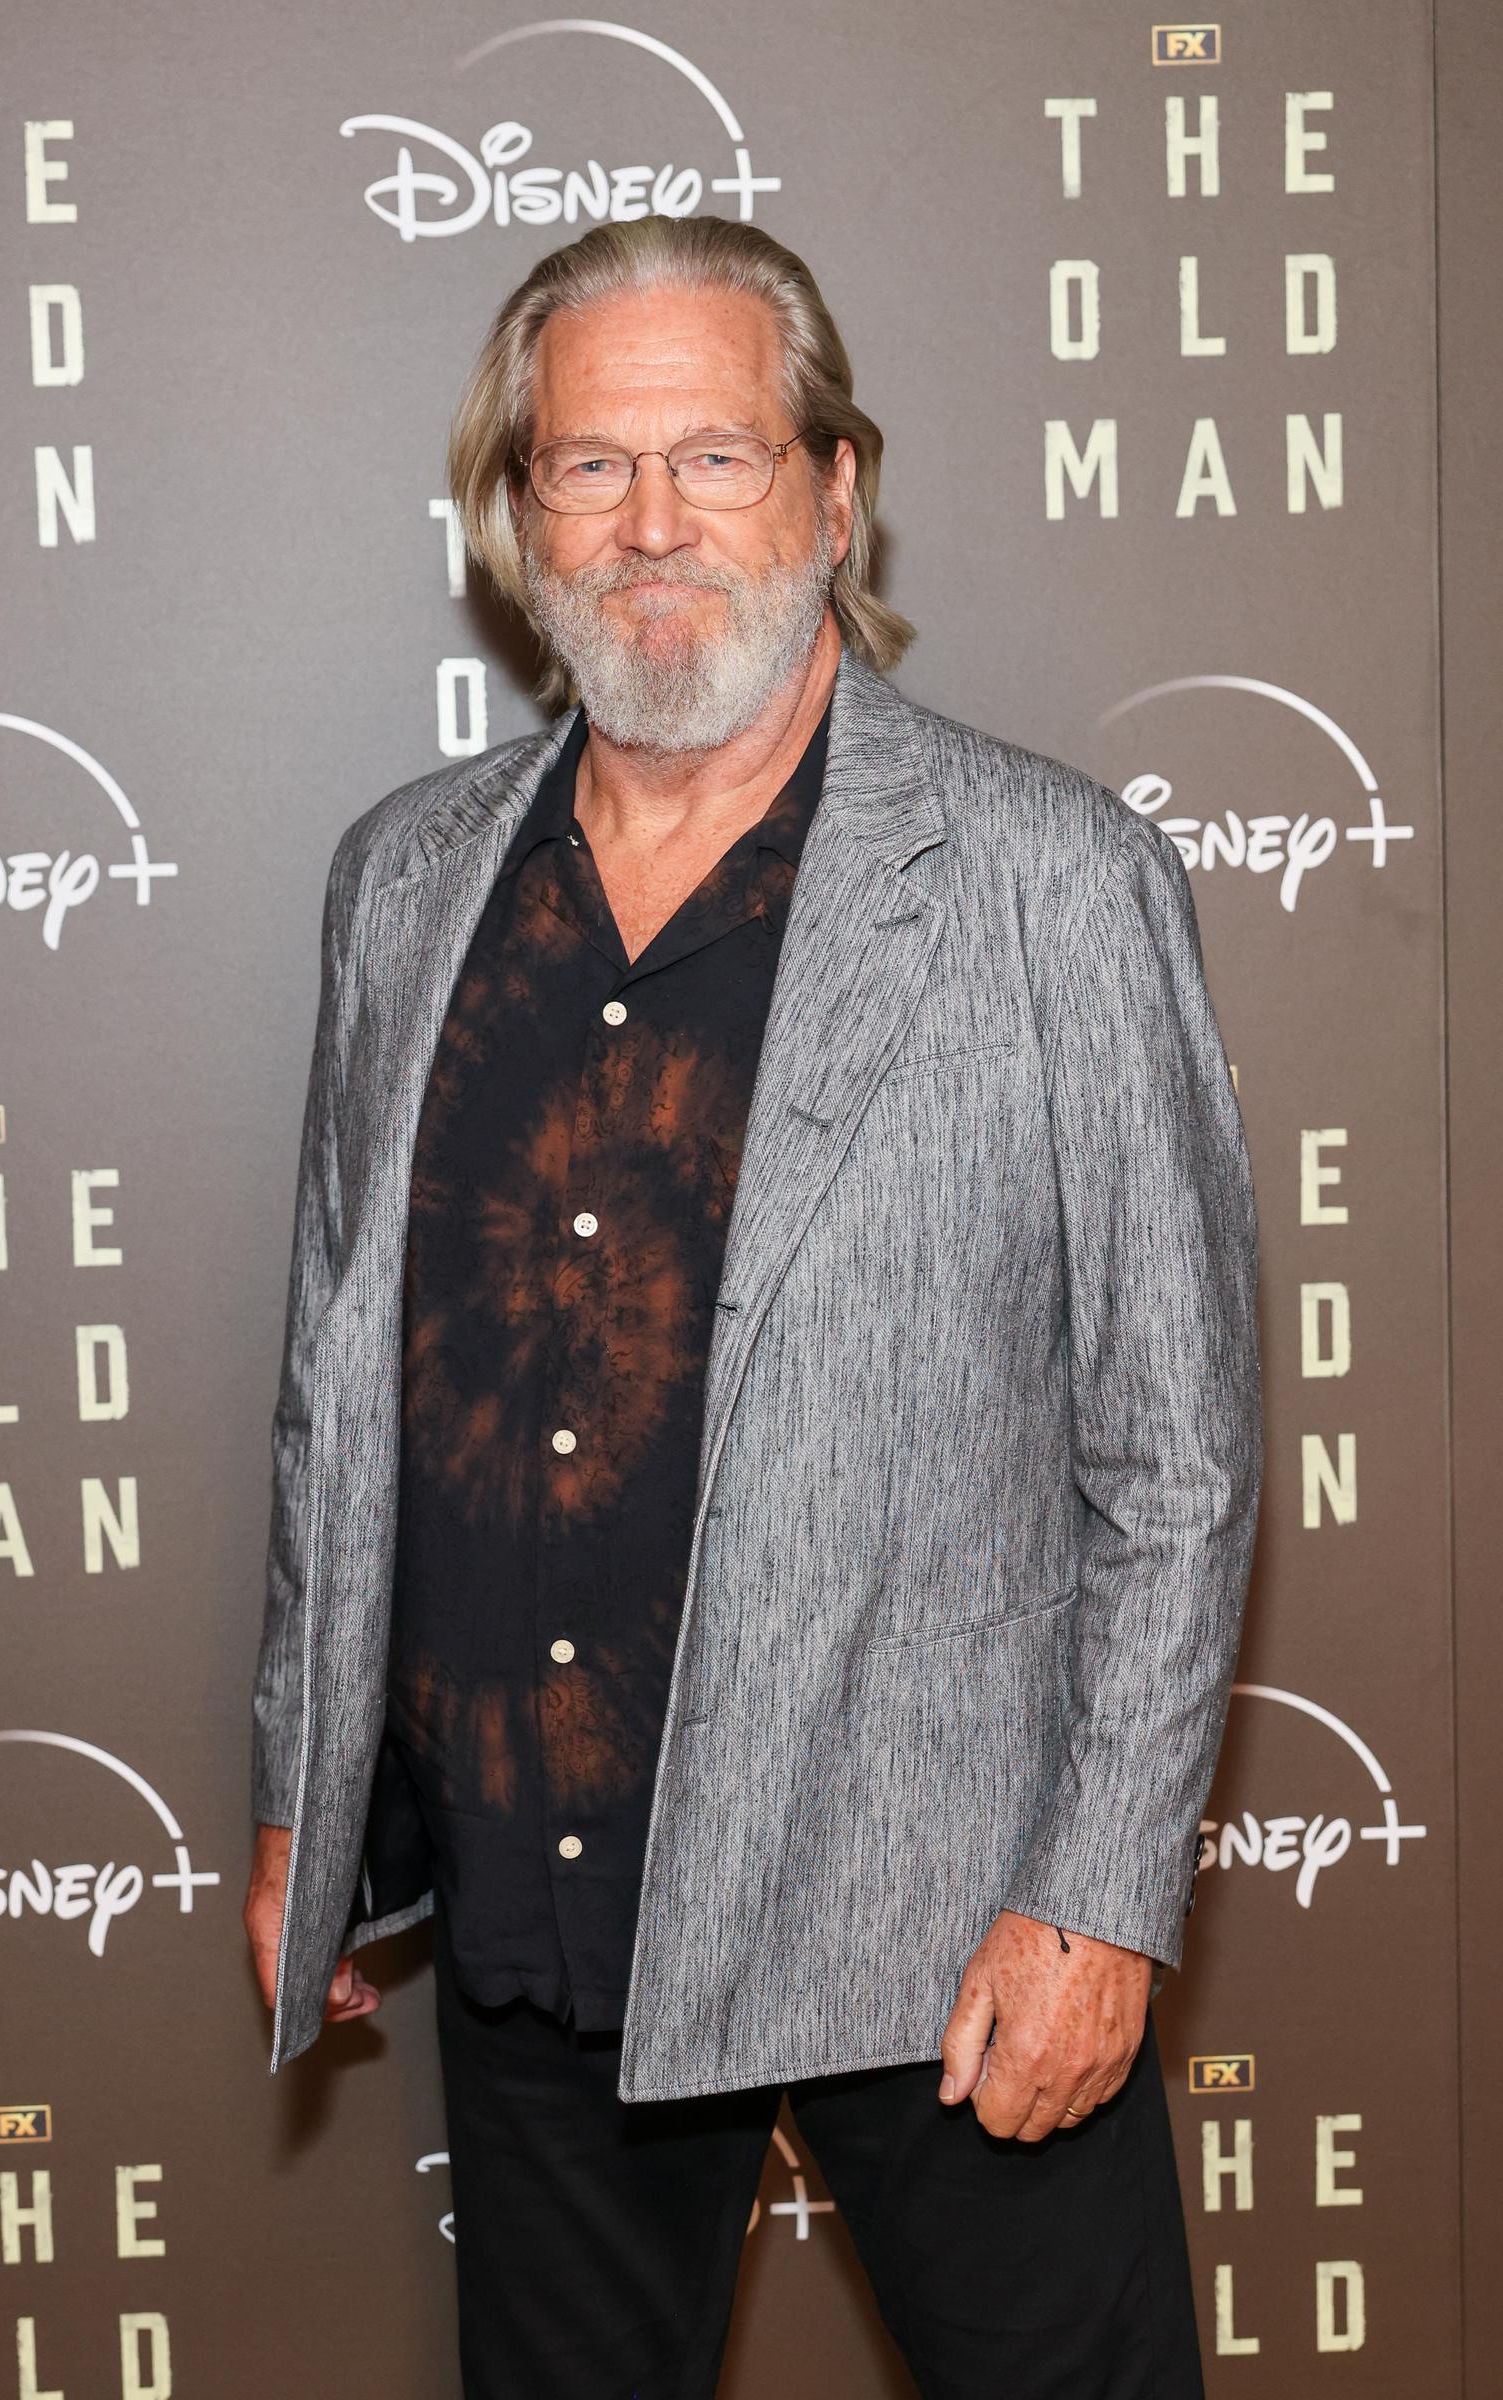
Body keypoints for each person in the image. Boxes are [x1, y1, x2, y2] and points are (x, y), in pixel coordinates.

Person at [243, 213, 1263, 2399]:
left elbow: (1173, 1455)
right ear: (520, 521)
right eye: (588, 469)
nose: (650, 527)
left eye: (714, 457)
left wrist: (1098, 1898)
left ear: (833, 490)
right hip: (542, 1909)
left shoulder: (1047, 880)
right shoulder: (407, 881)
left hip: (947, 1923)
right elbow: (344, 1399)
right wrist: (306, 1804)